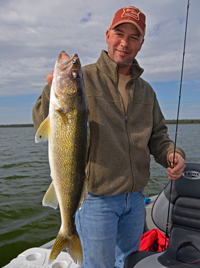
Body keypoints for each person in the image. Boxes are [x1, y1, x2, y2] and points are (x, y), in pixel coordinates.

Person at [32, 6, 185, 268]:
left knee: (129, 262)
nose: (124, 43)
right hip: (95, 201)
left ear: (141, 44)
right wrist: (50, 90)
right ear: (107, 35)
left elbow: (158, 135)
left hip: (135, 200)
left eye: (133, 37)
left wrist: (172, 153)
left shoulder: (147, 92)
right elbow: (41, 120)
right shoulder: (84, 78)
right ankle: (67, 233)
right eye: (119, 33)